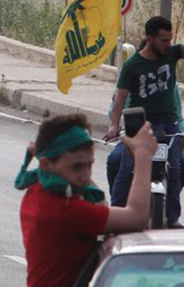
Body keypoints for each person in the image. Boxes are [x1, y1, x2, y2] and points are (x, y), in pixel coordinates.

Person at [18, 114, 155, 287]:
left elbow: (93, 196)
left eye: (89, 165)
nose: (85, 176)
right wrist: (143, 154)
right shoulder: (66, 210)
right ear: (46, 165)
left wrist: (48, 158)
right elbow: (136, 217)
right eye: (76, 167)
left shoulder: (38, 191)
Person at [106, 16, 183, 227]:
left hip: (169, 124)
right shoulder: (132, 66)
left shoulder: (171, 54)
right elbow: (119, 99)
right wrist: (114, 125)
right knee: (126, 167)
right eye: (163, 40)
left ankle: (173, 218)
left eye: (170, 40)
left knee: (176, 167)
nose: (168, 45)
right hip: (140, 124)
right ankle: (117, 215)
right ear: (149, 39)